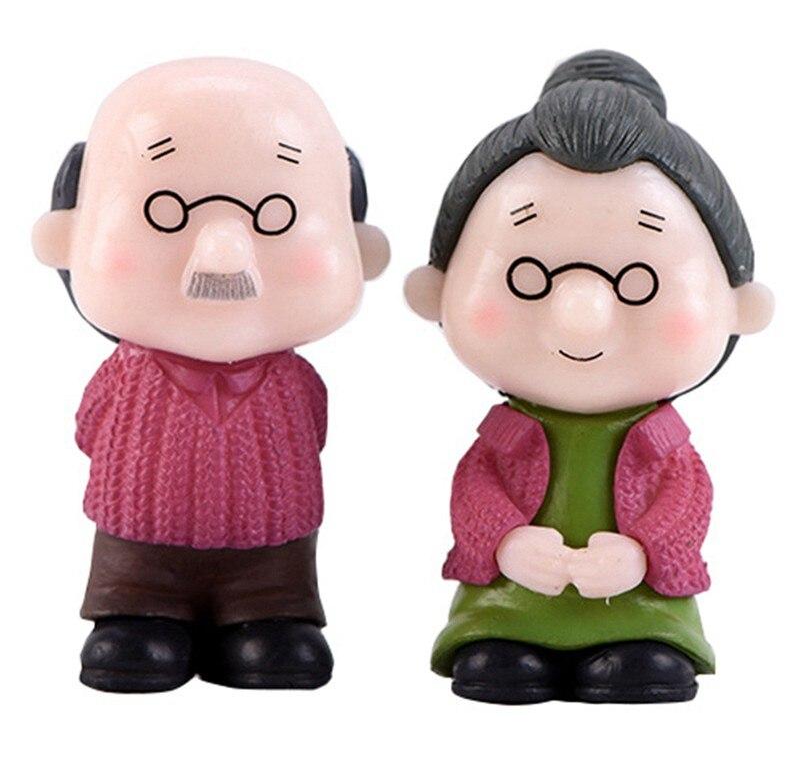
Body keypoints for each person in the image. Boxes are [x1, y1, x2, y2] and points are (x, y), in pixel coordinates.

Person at [404, 50, 773, 704]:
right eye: (529, 278)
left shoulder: (661, 441)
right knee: (498, 657)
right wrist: (506, 543)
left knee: (642, 658)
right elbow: (476, 489)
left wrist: (642, 553)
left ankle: (640, 644)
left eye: (637, 283)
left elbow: (686, 500)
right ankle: (506, 639)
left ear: (737, 307)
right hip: (512, 601)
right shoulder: (507, 433)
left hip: (637, 605)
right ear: (439, 292)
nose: (581, 317)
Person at [32, 58, 389, 693]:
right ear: (68, 236)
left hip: (272, 556)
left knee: (275, 621)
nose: (223, 255)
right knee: (135, 621)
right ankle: (134, 617)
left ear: (358, 248)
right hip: (139, 550)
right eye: (167, 212)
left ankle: (271, 621)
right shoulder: (126, 374)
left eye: (274, 215)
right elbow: (90, 430)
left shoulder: (294, 382)